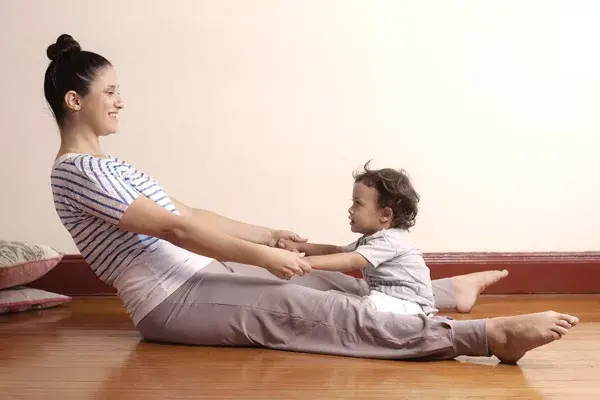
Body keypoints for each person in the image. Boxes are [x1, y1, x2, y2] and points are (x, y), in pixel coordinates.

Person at [46, 33, 578, 364]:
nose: (122, 101)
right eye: (110, 92)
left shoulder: (109, 165)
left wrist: (269, 236)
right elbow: (175, 231)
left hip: (200, 276)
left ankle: (439, 293)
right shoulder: (78, 173)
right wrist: (267, 258)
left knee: (320, 276)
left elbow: (190, 214)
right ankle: (484, 337)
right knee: (314, 307)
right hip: (171, 301)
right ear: (75, 101)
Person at [279, 162, 438, 317]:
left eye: (357, 204)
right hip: (390, 300)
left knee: (354, 307)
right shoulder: (371, 239)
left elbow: (350, 260)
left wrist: (302, 262)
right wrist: (299, 247)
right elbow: (337, 251)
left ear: (385, 215)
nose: (350, 210)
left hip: (411, 306)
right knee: (349, 300)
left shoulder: (391, 240)